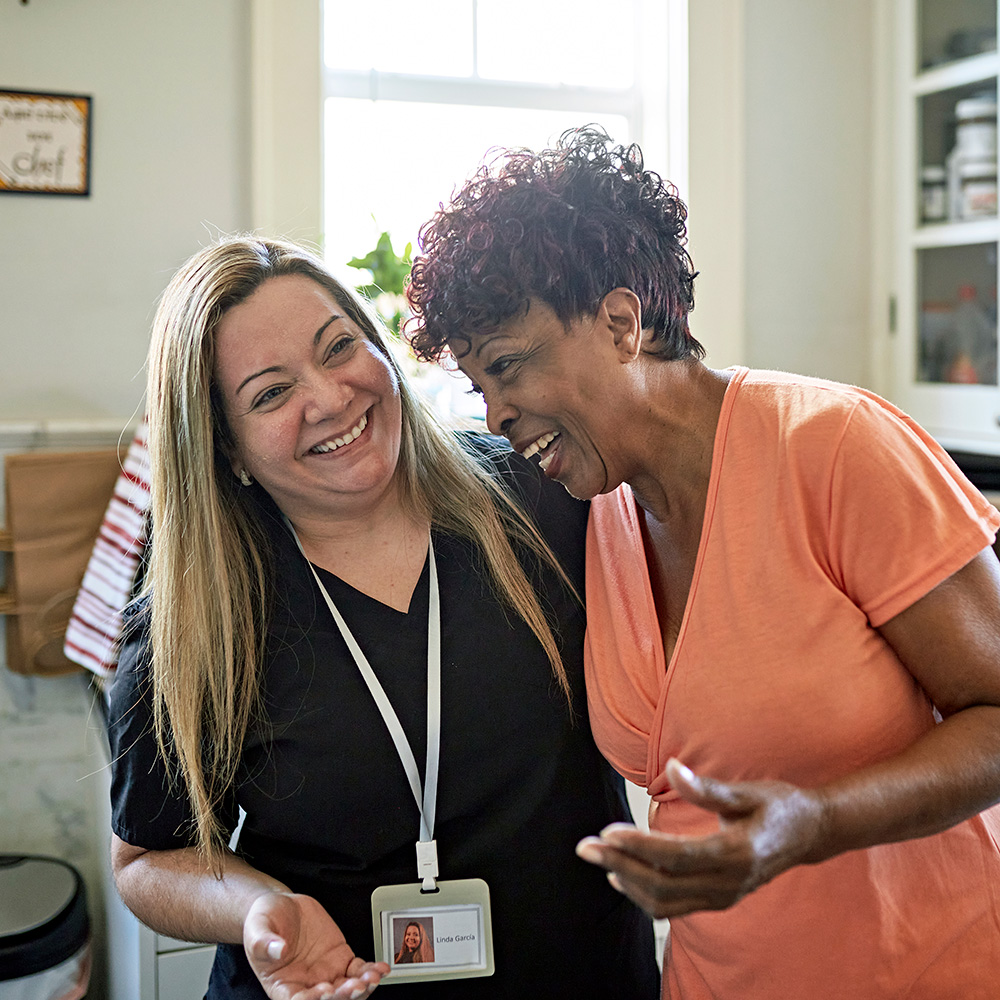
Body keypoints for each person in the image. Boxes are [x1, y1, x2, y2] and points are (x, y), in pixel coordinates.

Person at [403, 126, 1000, 999]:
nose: (496, 415)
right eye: (478, 387)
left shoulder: (833, 447)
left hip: (927, 971)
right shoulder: (590, 508)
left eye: (507, 368)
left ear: (620, 322)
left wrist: (814, 822)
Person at [106, 235, 660, 1000]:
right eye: (270, 394)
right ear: (225, 448)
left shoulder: (541, 496)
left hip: (583, 975)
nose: (331, 399)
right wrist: (258, 907)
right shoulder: (196, 608)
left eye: (340, 348)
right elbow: (144, 861)